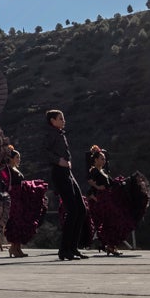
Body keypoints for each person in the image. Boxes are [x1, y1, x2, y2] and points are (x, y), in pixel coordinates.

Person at [42, 110, 87, 261]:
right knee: (73, 210)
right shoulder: (50, 133)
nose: (64, 120)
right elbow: (44, 151)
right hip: (59, 173)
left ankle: (73, 247)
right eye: (61, 118)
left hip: (67, 172)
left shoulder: (60, 133)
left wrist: (67, 161)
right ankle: (64, 250)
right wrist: (58, 160)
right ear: (53, 121)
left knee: (81, 209)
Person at [2, 148, 48, 258]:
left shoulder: (15, 169)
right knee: (15, 222)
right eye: (17, 157)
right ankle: (13, 247)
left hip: (20, 198)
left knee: (20, 222)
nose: (19, 159)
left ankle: (17, 248)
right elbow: (7, 184)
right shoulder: (7, 169)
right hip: (14, 198)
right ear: (11, 158)